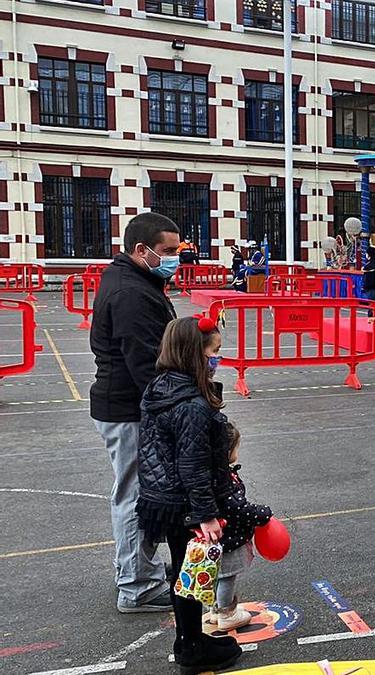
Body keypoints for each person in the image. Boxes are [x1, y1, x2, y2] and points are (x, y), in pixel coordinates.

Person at [137, 317, 242, 673]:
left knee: (184, 570)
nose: (218, 359)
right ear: (196, 354)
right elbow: (193, 463)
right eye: (215, 352)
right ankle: (191, 647)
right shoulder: (192, 404)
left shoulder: (160, 388)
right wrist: (205, 513)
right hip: (183, 502)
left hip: (161, 497)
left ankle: (190, 637)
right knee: (190, 572)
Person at [90, 212, 180, 613]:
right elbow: (145, 363)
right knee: (135, 494)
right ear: (141, 250)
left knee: (138, 491)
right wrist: (176, 409)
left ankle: (136, 568)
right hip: (128, 407)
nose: (175, 258)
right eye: (168, 251)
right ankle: (136, 585)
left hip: (127, 404)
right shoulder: (131, 292)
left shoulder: (138, 280)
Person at [203, 424, 272, 633]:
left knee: (218, 575)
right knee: (226, 576)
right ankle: (226, 613)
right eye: (236, 448)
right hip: (229, 539)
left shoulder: (211, 473)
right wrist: (262, 513)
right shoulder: (222, 479)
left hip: (218, 538)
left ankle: (216, 609)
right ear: (226, 452)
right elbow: (237, 508)